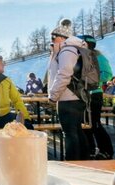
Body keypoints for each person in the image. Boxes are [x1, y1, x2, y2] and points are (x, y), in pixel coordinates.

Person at [48, 18, 89, 160]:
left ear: (61, 37)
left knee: (70, 133)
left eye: (53, 38)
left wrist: (53, 95)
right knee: (76, 130)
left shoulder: (67, 50)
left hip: (68, 97)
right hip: (76, 96)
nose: (52, 41)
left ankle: (72, 162)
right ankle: (84, 160)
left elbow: (64, 74)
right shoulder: (74, 48)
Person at [78, 35, 114, 160]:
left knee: (95, 124)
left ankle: (106, 151)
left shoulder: (98, 57)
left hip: (94, 94)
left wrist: (92, 82)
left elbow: (108, 74)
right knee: (85, 124)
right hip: (82, 95)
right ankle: (90, 149)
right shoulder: (80, 58)